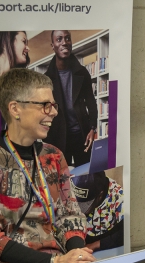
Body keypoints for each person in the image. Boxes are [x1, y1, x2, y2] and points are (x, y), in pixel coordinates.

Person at [0, 68, 96, 263]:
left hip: (59, 257)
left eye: (54, 105)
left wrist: (76, 255)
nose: (53, 112)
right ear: (15, 108)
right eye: (44, 105)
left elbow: (70, 214)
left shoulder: (53, 156)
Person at [44, 30, 98, 167]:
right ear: (53, 45)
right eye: (59, 39)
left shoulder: (82, 72)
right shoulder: (46, 79)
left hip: (82, 135)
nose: (64, 43)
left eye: (68, 38)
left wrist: (93, 128)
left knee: (86, 175)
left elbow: (91, 101)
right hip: (59, 137)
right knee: (62, 179)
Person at [71, 171, 124, 251]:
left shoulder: (119, 200)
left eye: (84, 205)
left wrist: (96, 245)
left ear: (100, 195)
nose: (79, 209)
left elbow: (123, 235)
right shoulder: (73, 180)